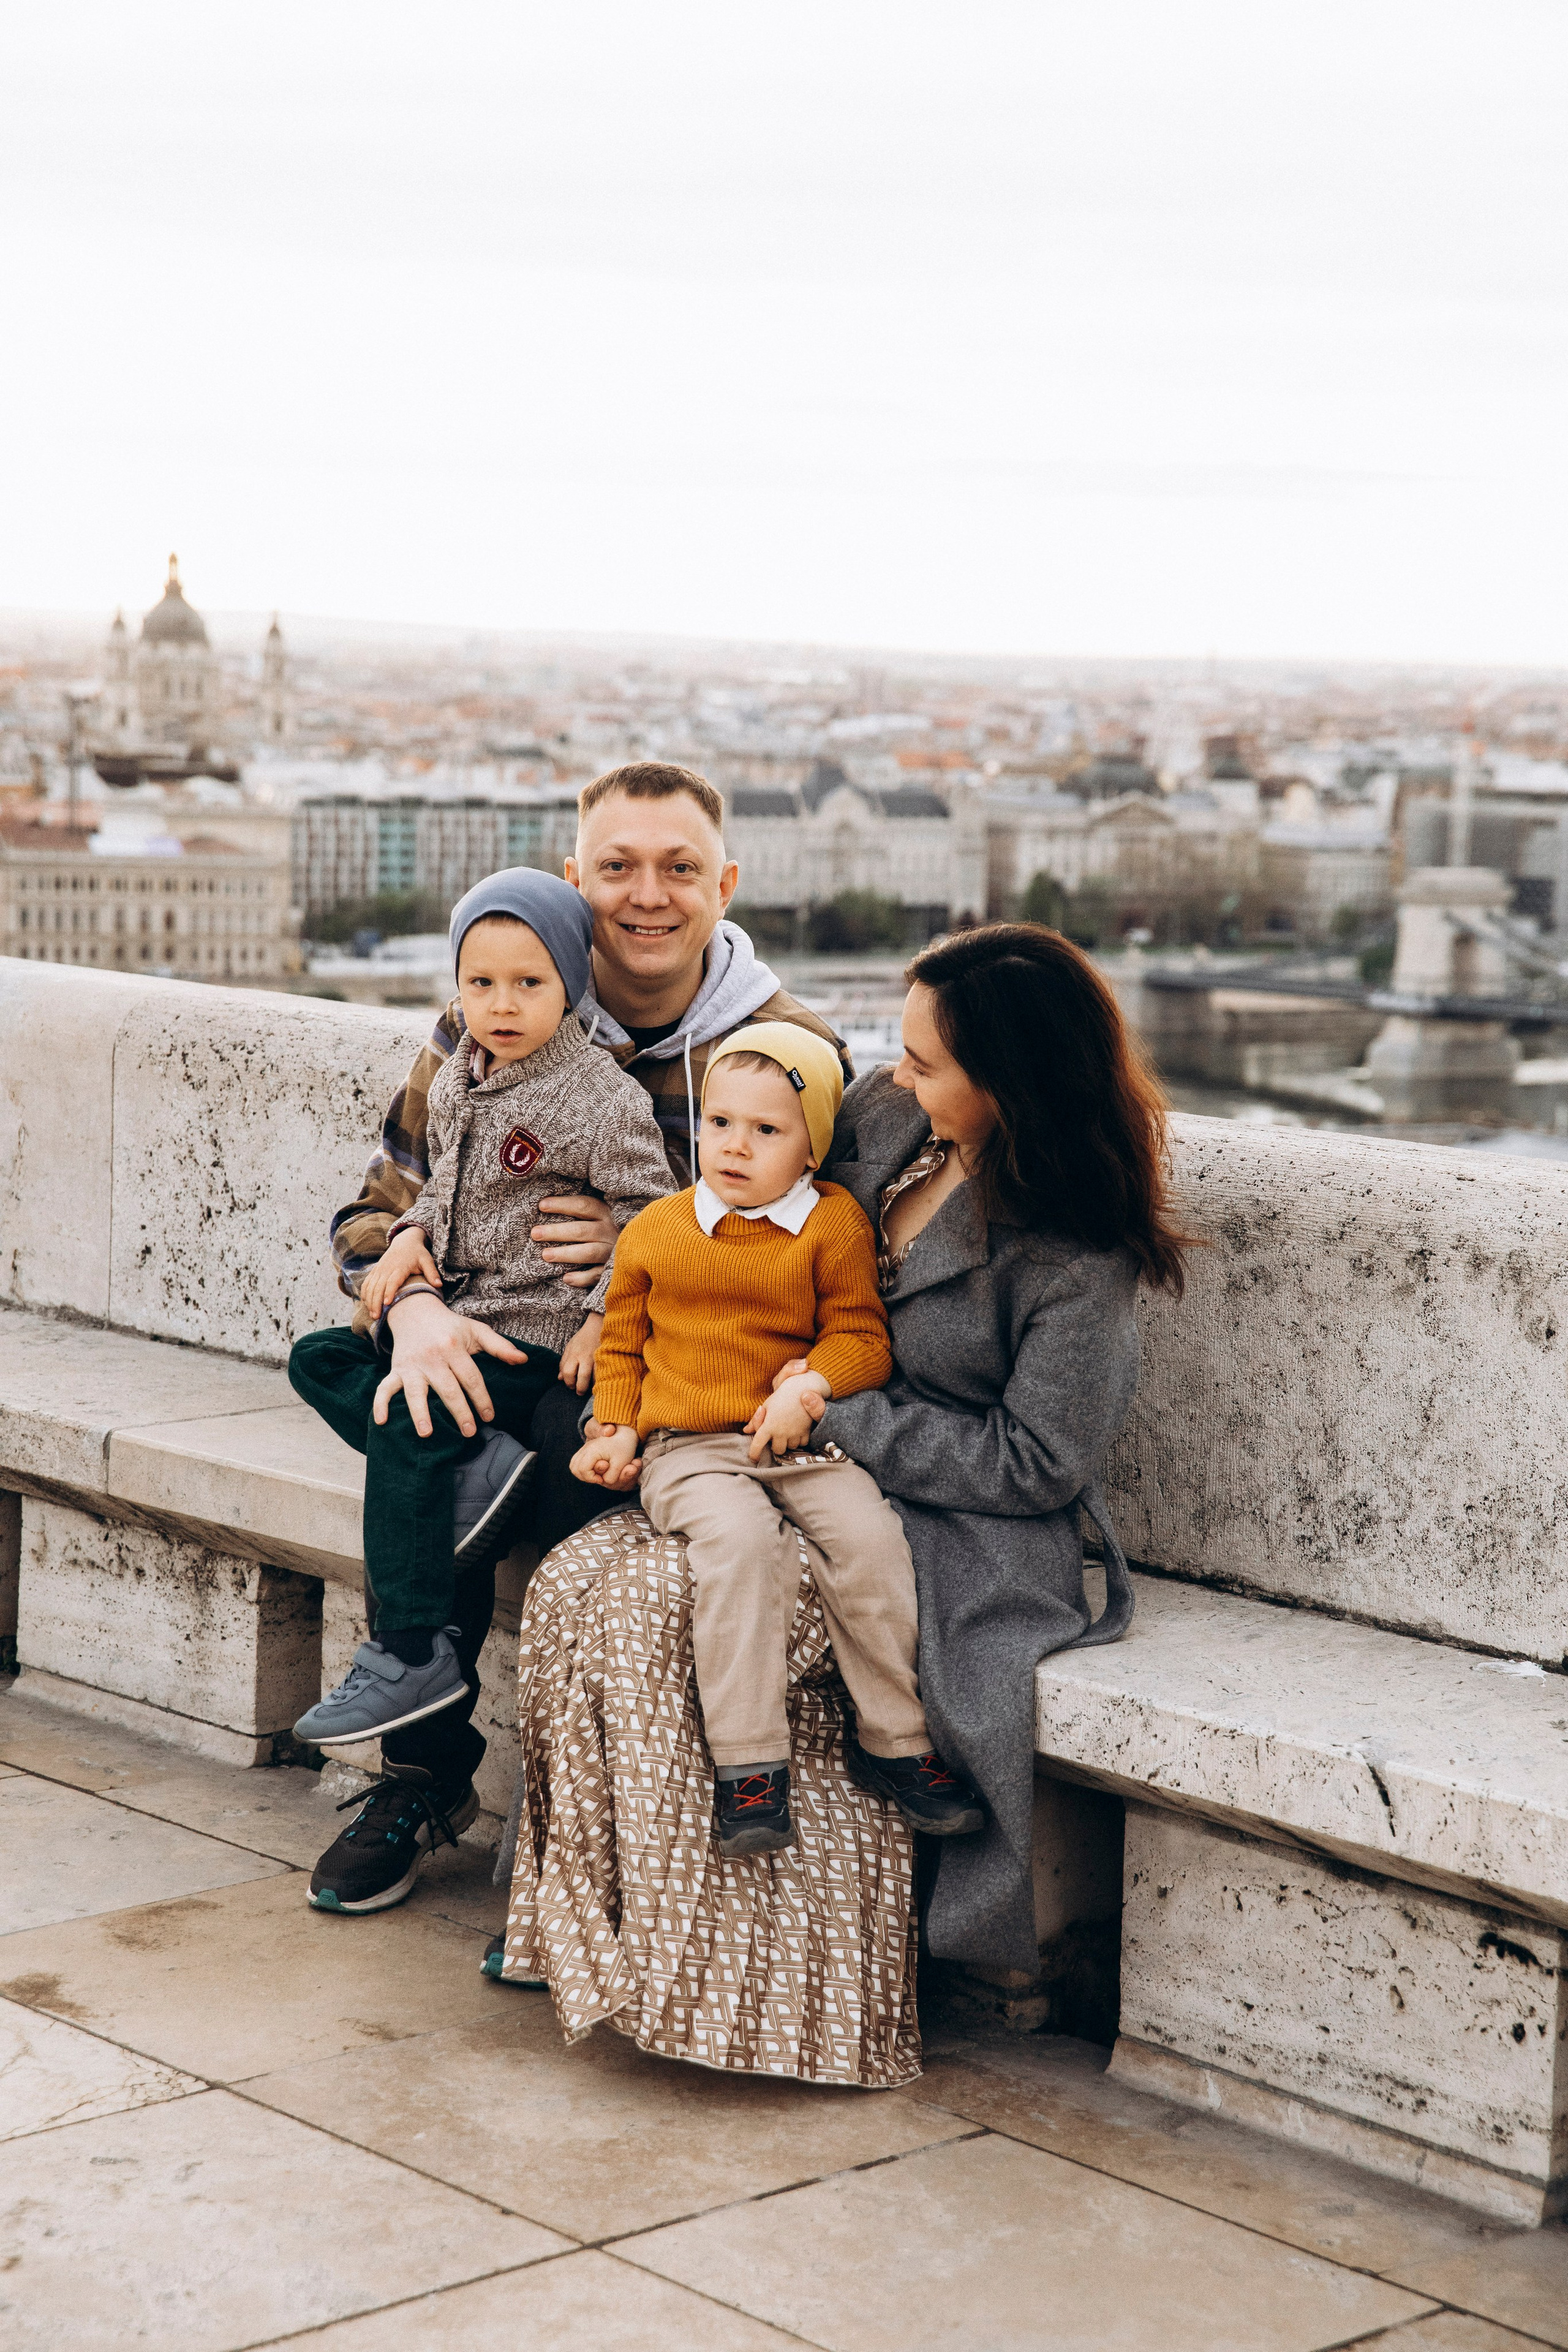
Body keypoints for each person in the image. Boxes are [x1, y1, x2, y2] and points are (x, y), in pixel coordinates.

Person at [498, 922, 1184, 2076]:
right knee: (582, 1584)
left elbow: (1037, 1464)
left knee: (667, 1616)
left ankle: (777, 2002)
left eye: (925, 1063)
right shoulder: (887, 1120)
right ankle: (607, 1941)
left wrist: (833, 1414)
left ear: (1010, 1087)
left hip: (947, 1516)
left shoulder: (1078, 1254)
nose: (895, 1076)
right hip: (763, 1454)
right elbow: (743, 1183)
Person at [306, 761, 848, 1915]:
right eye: (617, 868)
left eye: (679, 869)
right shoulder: (492, 1014)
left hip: (660, 1398)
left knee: (464, 1467)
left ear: (726, 885)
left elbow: (820, 1277)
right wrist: (409, 1306)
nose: (646, 896)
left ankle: (536, 1835)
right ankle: (427, 1778)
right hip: (482, 1345)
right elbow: (371, 1216)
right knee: (420, 1400)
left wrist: (645, 1249)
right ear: (574, 881)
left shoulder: (788, 1052)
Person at [288, 870, 673, 1817]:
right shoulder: (457, 1068)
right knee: (322, 1361)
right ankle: (481, 1466)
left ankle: (411, 1654)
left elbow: (659, 1219)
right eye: (481, 984)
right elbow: (426, 1190)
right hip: (452, 1318)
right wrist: (413, 1240)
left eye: (529, 985)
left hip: (529, 1342)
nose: (501, 1005)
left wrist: (601, 1314)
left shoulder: (597, 1096)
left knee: (413, 1420)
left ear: (571, 984)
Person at [573, 1023, 984, 1857]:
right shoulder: (656, 1228)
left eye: (767, 1131)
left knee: (871, 1540)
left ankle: (897, 1743)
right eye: (720, 1123)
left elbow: (862, 1339)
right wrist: (613, 1427)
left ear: (811, 1147)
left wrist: (811, 1386)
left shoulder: (832, 1226)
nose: (735, 1146)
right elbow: (620, 1341)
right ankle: (750, 1766)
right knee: (743, 1545)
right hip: (688, 1446)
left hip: (799, 1440)